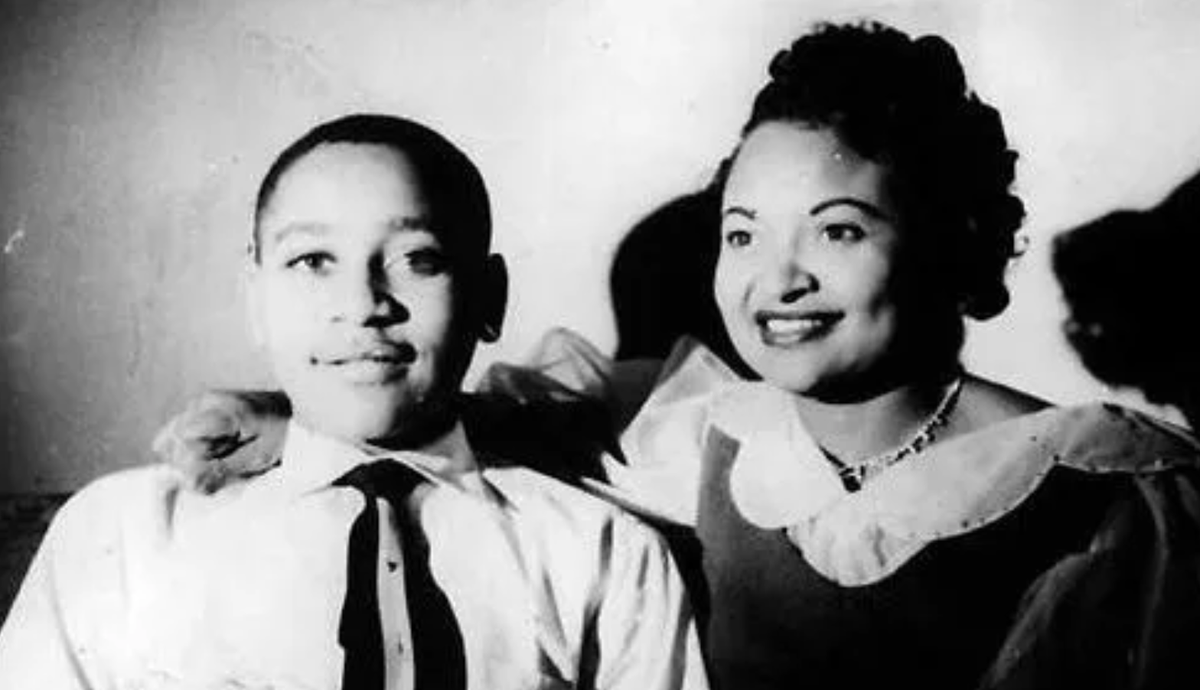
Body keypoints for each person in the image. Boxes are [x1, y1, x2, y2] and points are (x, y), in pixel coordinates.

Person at [150, 22, 1200, 690]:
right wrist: (290, 417)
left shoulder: (1099, 487)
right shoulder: (708, 434)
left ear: (948, 242)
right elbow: (467, 423)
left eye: (836, 231)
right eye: (743, 233)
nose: (775, 280)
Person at [0, 114, 708, 690]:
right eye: (313, 262)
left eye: (418, 259)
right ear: (256, 297)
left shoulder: (606, 554)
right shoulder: (122, 537)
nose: (364, 305)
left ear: (489, 299)